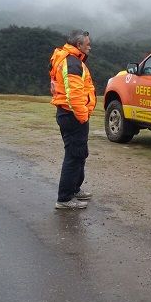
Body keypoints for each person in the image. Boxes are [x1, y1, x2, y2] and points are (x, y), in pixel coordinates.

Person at [49, 30, 96, 209]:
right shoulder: (72, 63)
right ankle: (65, 199)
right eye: (87, 44)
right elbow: (74, 95)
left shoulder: (69, 59)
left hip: (69, 114)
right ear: (79, 45)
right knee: (74, 156)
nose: (90, 47)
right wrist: (83, 116)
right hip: (73, 116)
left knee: (80, 153)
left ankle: (75, 189)